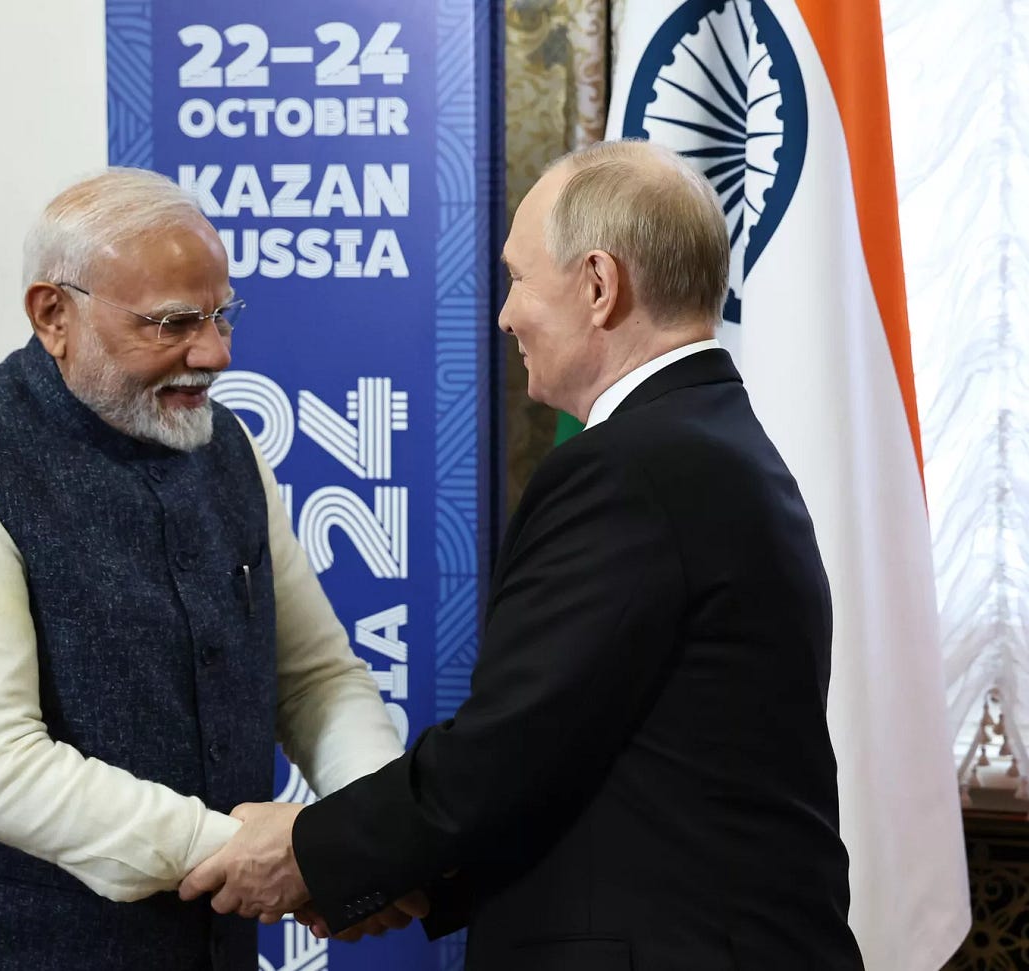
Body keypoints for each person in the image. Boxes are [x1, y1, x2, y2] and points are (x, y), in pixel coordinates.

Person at [181, 140, 866, 970]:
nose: (504, 315)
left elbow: (506, 750)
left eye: (518, 277)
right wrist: (406, 876)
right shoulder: (710, 441)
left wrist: (310, 852)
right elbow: (581, 759)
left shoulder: (632, 467)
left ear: (600, 285)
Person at [0, 168, 404, 970]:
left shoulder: (228, 446)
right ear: (53, 314)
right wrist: (259, 854)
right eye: (172, 324)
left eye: (221, 314)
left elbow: (315, 678)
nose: (216, 353)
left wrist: (366, 839)